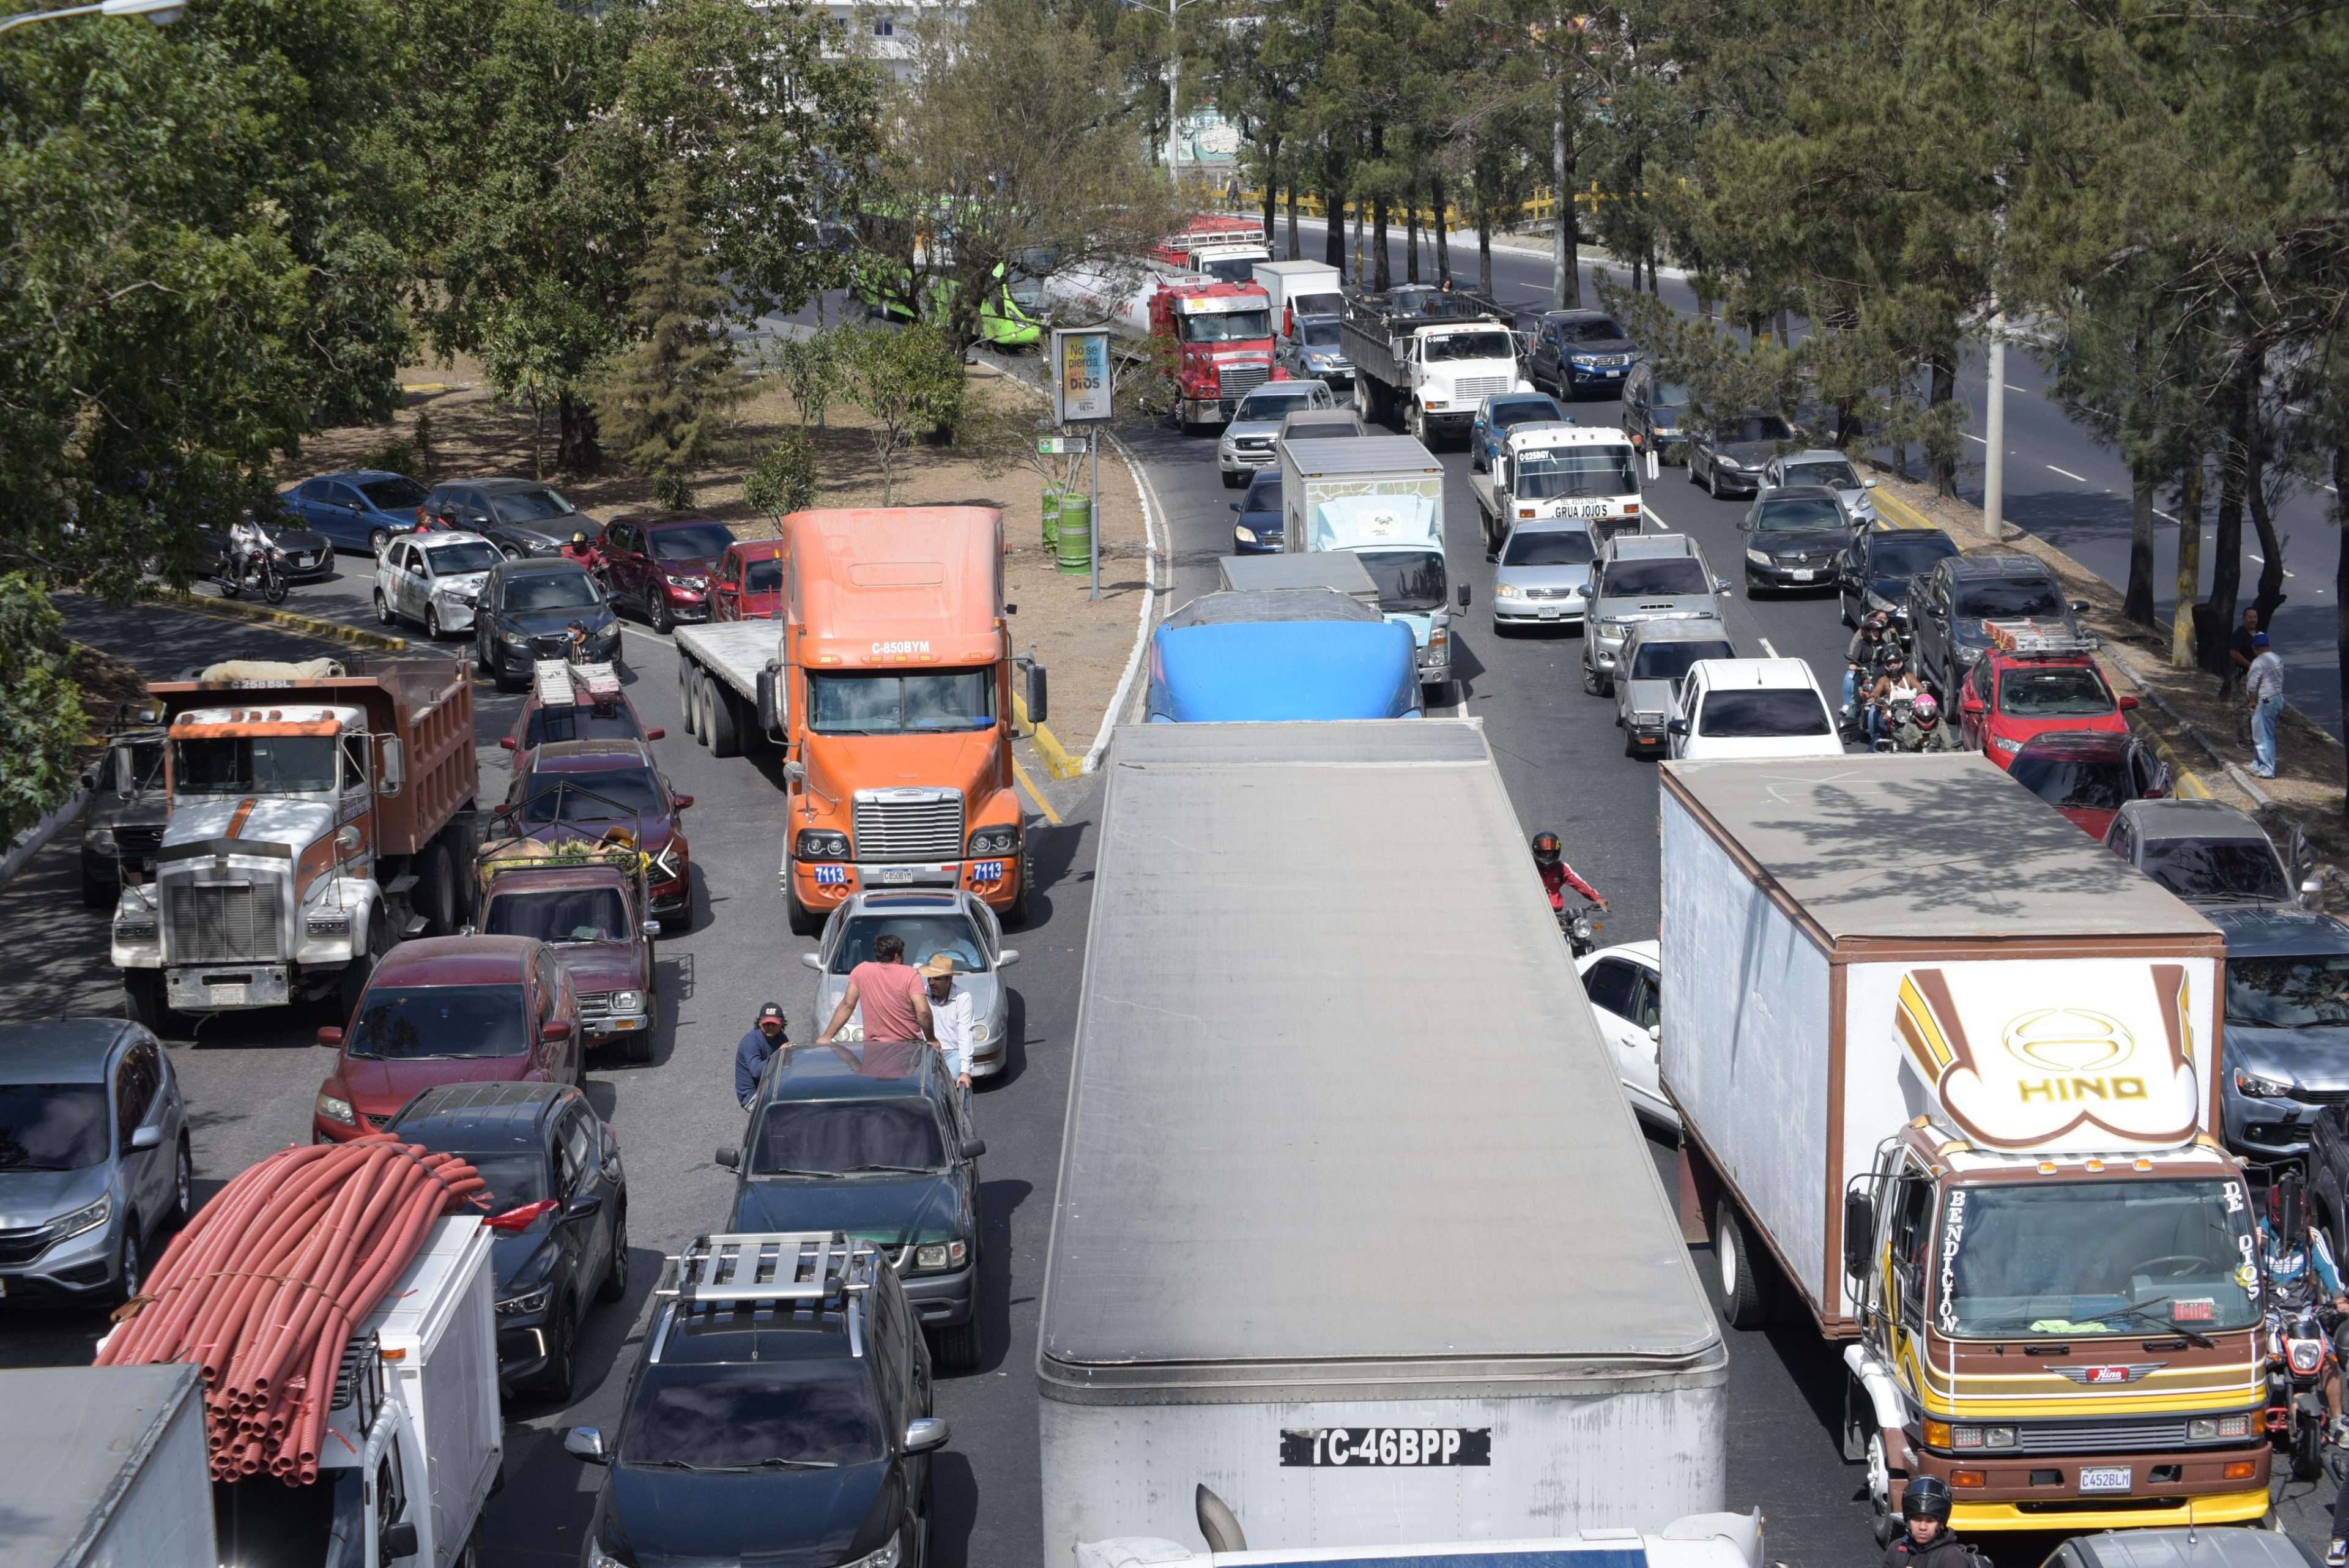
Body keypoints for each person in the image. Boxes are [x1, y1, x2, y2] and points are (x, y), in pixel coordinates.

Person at [2258, 1170, 2349, 1444]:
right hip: (2268, 1315)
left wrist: (2339, 1298)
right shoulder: (2257, 1237)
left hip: (2304, 1314)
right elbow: (2241, 1272)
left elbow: (2328, 1271)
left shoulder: (2311, 1238)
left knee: (2329, 1360)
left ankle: (2337, 1421)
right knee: (2256, 1361)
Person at [817, 930, 934, 1045]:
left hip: (874, 1048)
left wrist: (827, 1036)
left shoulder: (862, 970)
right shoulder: (911, 974)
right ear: (897, 956)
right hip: (908, 1046)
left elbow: (847, 1005)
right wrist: (931, 1039)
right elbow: (923, 1011)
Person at [921, 953, 976, 1130]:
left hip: (952, 1053)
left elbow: (965, 1034)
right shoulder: (922, 995)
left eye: (937, 979)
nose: (932, 983)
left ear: (949, 979)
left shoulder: (963, 998)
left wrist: (965, 1071)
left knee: (942, 1087)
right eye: (930, 978)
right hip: (927, 1052)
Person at [1882, 1477, 1965, 1568]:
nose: (1922, 1527)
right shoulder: (1896, 1549)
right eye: (1917, 1520)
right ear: (1908, 1522)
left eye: (1930, 1521)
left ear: (1941, 1525)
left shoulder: (1952, 1557)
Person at [1531, 831, 1607, 913]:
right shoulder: (1528, 865)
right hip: (1533, 910)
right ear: (1537, 851)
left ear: (1556, 851)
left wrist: (1597, 898)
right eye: (1544, 852)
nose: (1547, 855)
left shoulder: (1561, 868)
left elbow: (1579, 883)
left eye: (1550, 852)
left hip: (1555, 913)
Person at [733, 1003, 787, 1110]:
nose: (770, 1027)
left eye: (774, 1024)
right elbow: (756, 1071)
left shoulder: (781, 1038)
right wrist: (778, 1055)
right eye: (767, 1024)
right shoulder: (752, 1041)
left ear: (781, 1023)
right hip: (752, 1096)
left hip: (770, 1089)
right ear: (760, 1023)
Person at [2248, 631, 2285, 779]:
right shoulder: (2277, 658)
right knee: (2264, 734)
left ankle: (2267, 769)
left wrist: (2252, 701)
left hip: (2265, 701)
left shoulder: (2259, 662)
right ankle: (2257, 764)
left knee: (2263, 736)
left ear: (2255, 647)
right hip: (2277, 699)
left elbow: (2252, 685)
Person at [1844, 614, 1890, 715]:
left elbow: (1890, 655)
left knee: (1889, 698)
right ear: (1868, 632)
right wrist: (1854, 664)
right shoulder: (1861, 644)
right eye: (1874, 630)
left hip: (1880, 677)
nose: (1876, 633)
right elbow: (1855, 656)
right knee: (1854, 702)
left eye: (1878, 631)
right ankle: (1848, 724)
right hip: (1863, 677)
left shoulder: (1884, 645)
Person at [2222, 606, 2260, 699]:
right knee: (2242, 707)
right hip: (2243, 677)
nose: (2253, 620)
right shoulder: (2240, 634)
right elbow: (2233, 653)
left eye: (2255, 617)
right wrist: (2250, 665)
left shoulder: (2256, 634)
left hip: (2255, 677)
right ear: (2244, 619)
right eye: (2250, 617)